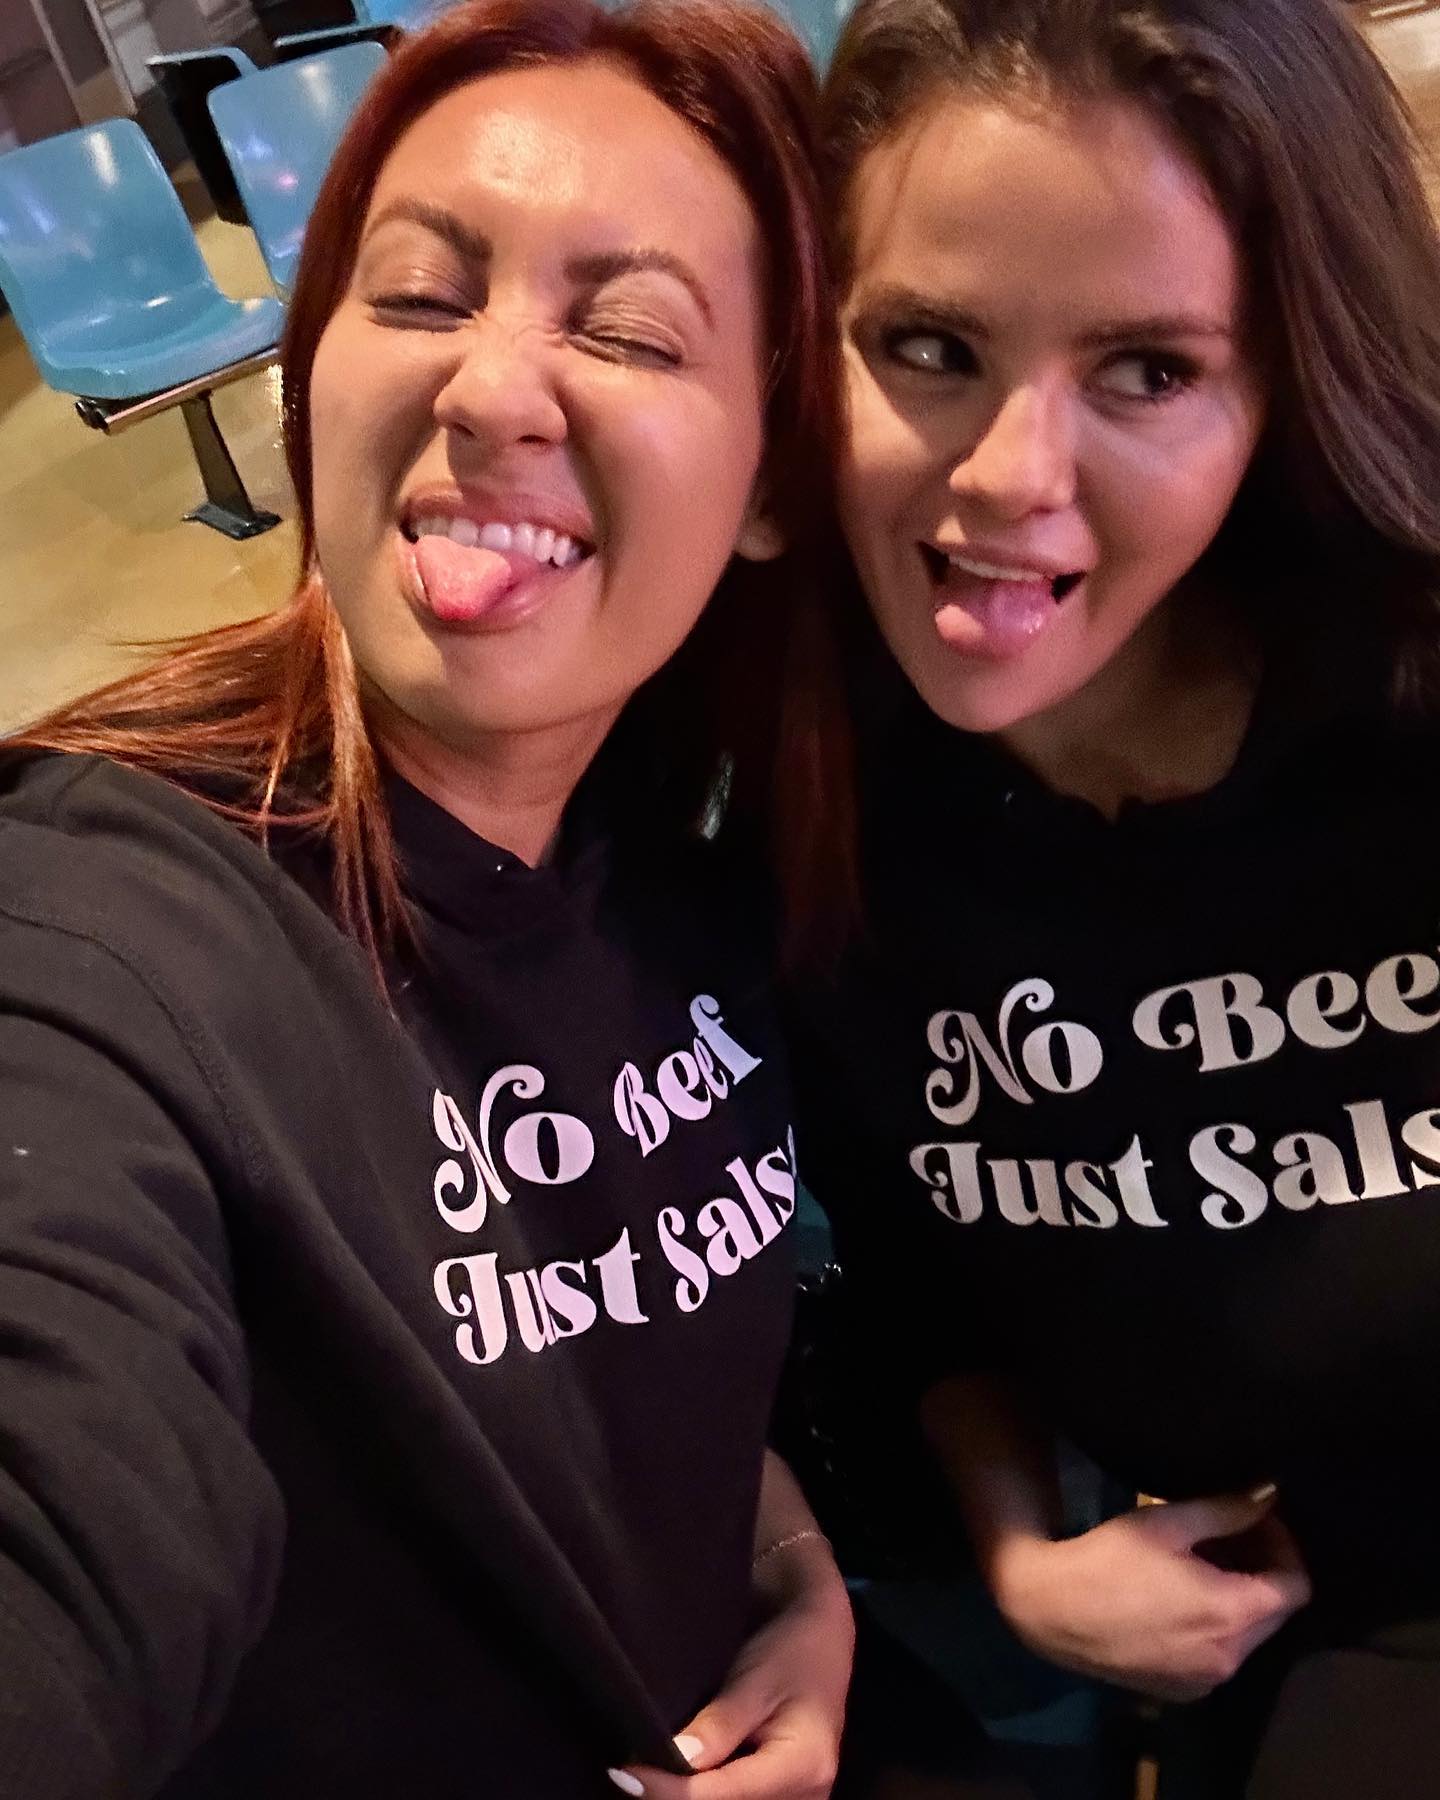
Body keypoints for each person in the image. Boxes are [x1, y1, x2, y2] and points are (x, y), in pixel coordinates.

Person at [0, 2, 856, 1794]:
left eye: (628, 330)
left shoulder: (679, 860)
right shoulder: (110, 930)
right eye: (414, 295)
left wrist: (785, 1564)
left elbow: (618, 1356)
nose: (486, 390)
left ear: (774, 477)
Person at [789, 0, 1440, 1793]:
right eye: (929, 347)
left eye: (1149, 371)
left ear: (1285, 388)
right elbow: (910, 1266)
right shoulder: (809, 808)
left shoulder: (1405, 720)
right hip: (1295, 1630)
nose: (1010, 475)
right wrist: (1021, 1550)